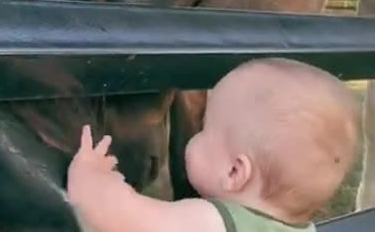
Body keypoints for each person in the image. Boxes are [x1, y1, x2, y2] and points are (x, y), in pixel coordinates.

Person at [67, 58, 360, 232]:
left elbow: (117, 215)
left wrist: (91, 174)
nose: (195, 133)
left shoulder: (211, 223)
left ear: (235, 172)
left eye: (205, 127)